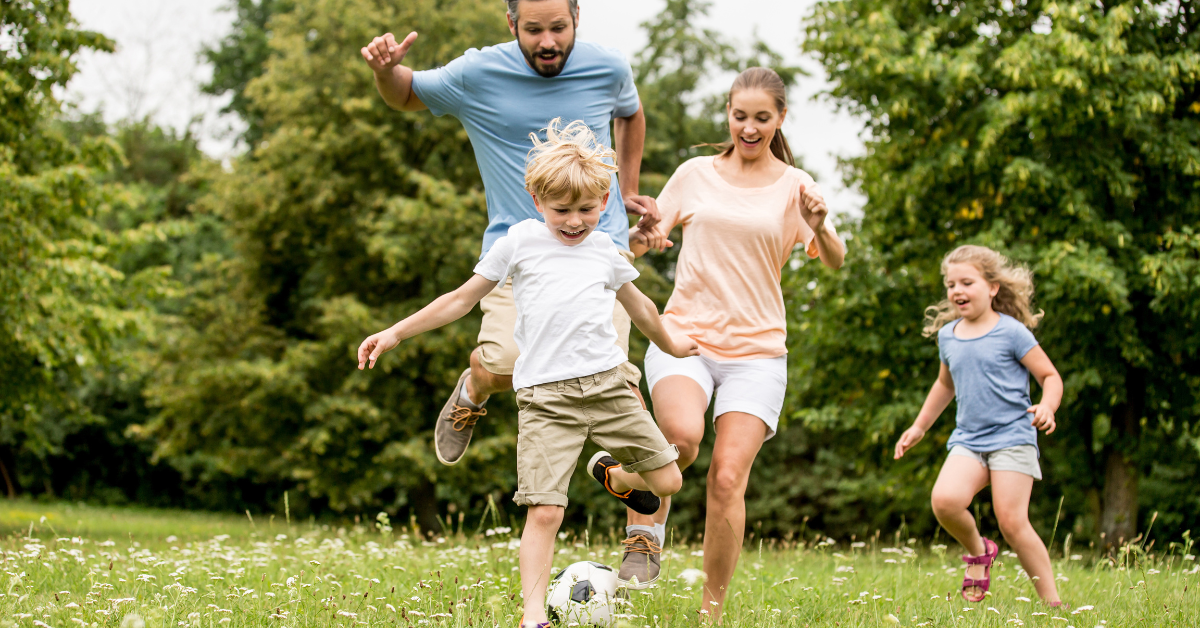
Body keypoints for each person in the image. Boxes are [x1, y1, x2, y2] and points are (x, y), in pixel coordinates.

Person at [356, 119, 696, 628]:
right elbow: (460, 299)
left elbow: (642, 307)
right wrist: (396, 332)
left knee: (667, 480)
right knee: (545, 511)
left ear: (605, 201)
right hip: (545, 400)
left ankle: (611, 473)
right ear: (537, 200)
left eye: (586, 209)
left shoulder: (606, 251)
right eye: (562, 210)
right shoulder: (519, 243)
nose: (575, 221)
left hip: (608, 389)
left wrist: (673, 342)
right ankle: (532, 616)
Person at [359, 0, 660, 466]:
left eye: (559, 28)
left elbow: (631, 112)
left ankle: (642, 526)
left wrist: (629, 186)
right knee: (504, 363)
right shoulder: (477, 73)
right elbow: (406, 94)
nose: (548, 42)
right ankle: (475, 384)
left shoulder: (608, 66)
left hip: (601, 246)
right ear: (511, 24)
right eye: (534, 29)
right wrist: (386, 71)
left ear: (577, 19)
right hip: (517, 253)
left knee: (611, 376)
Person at [610, 68, 845, 619]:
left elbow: (833, 259)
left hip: (759, 353)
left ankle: (709, 612)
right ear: (729, 115)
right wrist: (641, 240)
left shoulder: (795, 186)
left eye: (762, 118)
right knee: (682, 440)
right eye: (740, 116)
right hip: (685, 335)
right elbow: (640, 244)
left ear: (780, 119)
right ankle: (642, 522)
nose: (749, 127)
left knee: (727, 477)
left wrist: (822, 224)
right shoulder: (695, 174)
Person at [893, 244, 1066, 607]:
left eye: (966, 282)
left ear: (992, 288)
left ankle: (1053, 604)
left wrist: (1048, 406)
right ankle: (978, 550)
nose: (956, 290)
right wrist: (919, 426)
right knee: (945, 501)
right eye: (950, 284)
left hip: (1013, 437)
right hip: (969, 438)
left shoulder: (1012, 333)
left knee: (1012, 522)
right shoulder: (949, 336)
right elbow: (945, 385)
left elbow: (1050, 375)